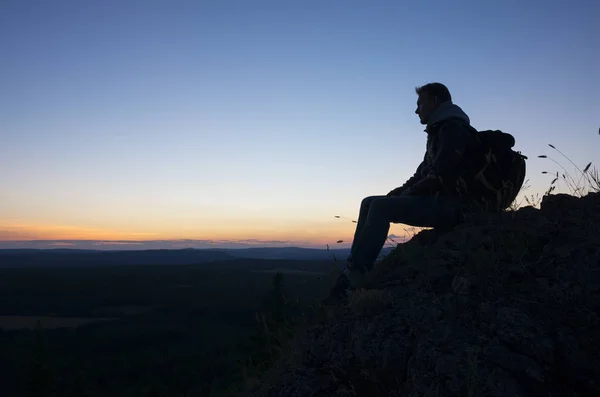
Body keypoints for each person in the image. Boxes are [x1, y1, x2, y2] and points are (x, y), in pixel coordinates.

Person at [329, 82, 482, 298]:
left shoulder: (453, 129)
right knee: (370, 201)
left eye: (420, 103)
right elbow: (421, 174)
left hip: (453, 205)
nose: (416, 109)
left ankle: (358, 275)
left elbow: (440, 174)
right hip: (441, 200)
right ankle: (354, 268)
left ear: (435, 101)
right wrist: (397, 193)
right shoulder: (440, 131)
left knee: (381, 208)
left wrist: (408, 194)